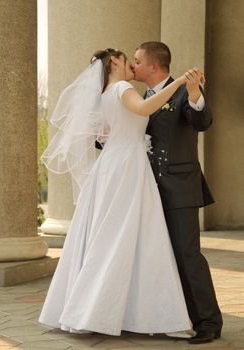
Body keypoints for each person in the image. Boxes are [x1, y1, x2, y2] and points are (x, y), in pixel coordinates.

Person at [39, 48, 203, 336]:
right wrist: (179, 84)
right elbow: (143, 110)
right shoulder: (123, 88)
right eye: (129, 61)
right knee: (134, 234)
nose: (132, 67)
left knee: (118, 235)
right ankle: (152, 316)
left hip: (113, 166)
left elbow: (105, 134)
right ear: (114, 62)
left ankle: (99, 310)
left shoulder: (102, 95)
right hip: (127, 166)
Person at [132, 41, 222, 344]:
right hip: (145, 191)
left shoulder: (185, 90)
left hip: (180, 188)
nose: (133, 66)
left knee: (187, 256)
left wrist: (196, 96)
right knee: (159, 257)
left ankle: (209, 322)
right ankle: (173, 316)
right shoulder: (139, 97)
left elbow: (202, 121)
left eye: (137, 61)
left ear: (154, 66)